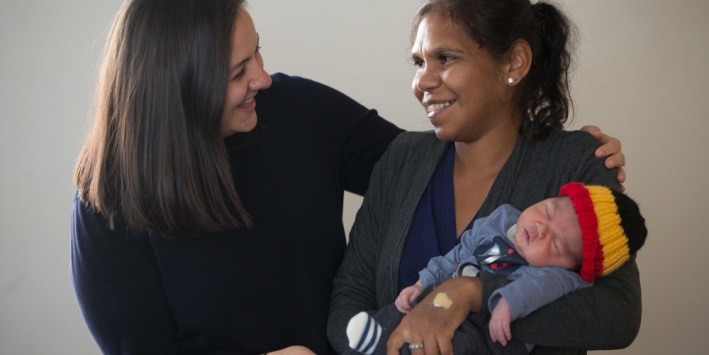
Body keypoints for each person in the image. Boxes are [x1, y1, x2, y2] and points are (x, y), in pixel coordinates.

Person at [70, 0, 625, 354]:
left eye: (257, 53)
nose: (263, 77)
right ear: (178, 88)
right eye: (239, 71)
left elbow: (430, 160)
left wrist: (471, 295)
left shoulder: (299, 112)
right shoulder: (108, 202)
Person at [327, 1, 641, 355]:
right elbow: (349, 299)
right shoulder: (402, 157)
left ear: (514, 62)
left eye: (445, 58)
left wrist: (471, 293)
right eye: (419, 62)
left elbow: (619, 314)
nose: (422, 82)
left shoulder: (576, 162)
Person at [345, 183, 647, 355]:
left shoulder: (559, 276)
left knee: (462, 343)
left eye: (556, 244)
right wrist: (423, 283)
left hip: (489, 339)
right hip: (441, 304)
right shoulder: (501, 220)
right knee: (405, 308)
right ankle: (377, 339)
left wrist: (506, 304)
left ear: (572, 266)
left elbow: (535, 289)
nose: (541, 229)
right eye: (548, 210)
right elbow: (459, 252)